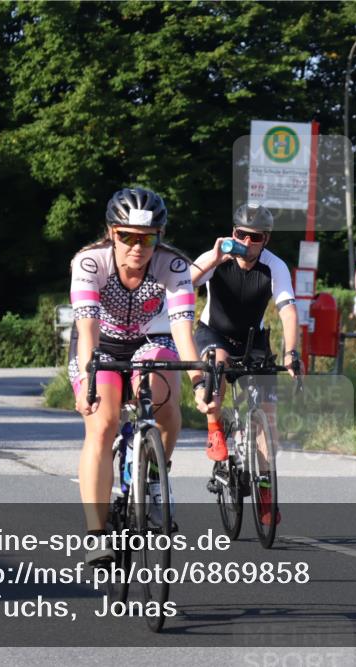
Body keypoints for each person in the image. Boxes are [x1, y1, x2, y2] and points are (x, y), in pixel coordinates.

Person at [69, 187, 214, 566]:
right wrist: (88, 381)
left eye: (147, 238)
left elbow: (183, 333)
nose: (137, 247)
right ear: (111, 233)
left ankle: (153, 481)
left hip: (151, 341)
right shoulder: (89, 262)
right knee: (103, 423)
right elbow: (87, 331)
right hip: (100, 345)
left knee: (165, 399)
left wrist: (200, 384)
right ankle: (96, 533)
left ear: (159, 237)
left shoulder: (175, 267)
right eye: (127, 237)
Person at [190, 203, 300, 526]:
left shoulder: (274, 266)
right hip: (215, 334)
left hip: (254, 341)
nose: (247, 243)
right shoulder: (218, 256)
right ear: (232, 232)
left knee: (268, 417)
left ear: (265, 239)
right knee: (217, 367)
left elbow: (288, 312)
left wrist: (292, 352)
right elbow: (184, 283)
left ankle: (265, 491)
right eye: (241, 235)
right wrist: (214, 258)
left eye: (255, 238)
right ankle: (215, 430)